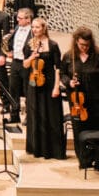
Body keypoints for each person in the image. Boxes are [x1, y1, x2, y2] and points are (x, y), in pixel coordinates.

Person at [67, 27, 99, 170]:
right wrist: (69, 82)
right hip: (78, 102)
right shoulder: (69, 57)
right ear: (76, 41)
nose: (84, 48)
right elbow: (64, 74)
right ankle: (84, 160)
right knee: (80, 130)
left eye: (87, 45)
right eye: (81, 45)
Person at [20, 18, 66, 159]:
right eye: (33, 27)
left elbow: (58, 68)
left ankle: (53, 150)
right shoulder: (29, 45)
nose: (34, 30)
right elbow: (25, 65)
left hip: (50, 82)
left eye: (37, 27)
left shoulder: (53, 45)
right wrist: (32, 56)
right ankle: (37, 149)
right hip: (34, 82)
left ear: (44, 28)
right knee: (36, 115)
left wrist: (56, 87)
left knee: (52, 115)